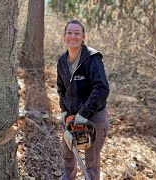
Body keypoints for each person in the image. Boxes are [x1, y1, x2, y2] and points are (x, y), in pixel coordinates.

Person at [56, 19, 110, 180]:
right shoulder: (62, 61)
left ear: (83, 36)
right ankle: (68, 177)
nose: (73, 36)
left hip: (93, 115)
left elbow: (102, 89)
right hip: (72, 115)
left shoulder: (92, 58)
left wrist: (84, 114)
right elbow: (61, 88)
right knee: (68, 152)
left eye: (77, 33)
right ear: (64, 35)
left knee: (91, 158)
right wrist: (64, 111)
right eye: (69, 32)